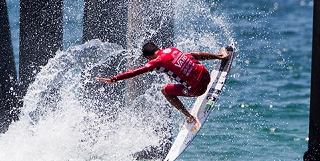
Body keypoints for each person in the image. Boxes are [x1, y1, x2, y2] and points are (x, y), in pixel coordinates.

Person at [97, 42, 229, 125]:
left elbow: (135, 72)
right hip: (206, 75)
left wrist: (113, 79)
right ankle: (221, 56)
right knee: (190, 55)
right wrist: (168, 72)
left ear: (149, 57)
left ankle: (189, 117)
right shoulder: (171, 49)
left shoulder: (156, 61)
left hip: (198, 89)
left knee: (165, 90)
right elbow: (179, 61)